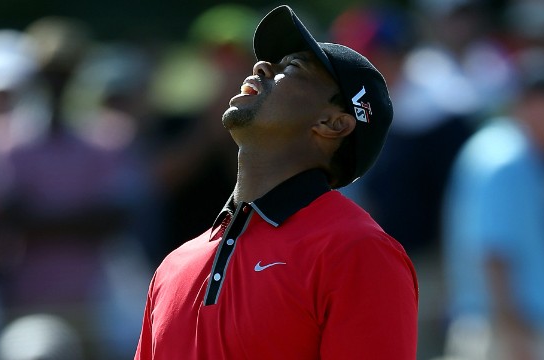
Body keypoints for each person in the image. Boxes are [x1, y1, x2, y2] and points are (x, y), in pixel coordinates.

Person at [134, 5, 419, 360]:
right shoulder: (174, 265)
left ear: (333, 124)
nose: (261, 67)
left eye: (293, 67)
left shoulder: (358, 250)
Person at [440, 64, 544, 360]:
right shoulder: (507, 159)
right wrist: (514, 335)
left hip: (503, 327)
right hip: (508, 334)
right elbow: (493, 253)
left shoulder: (508, 151)